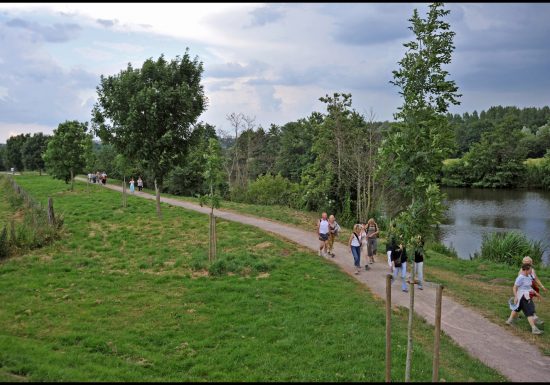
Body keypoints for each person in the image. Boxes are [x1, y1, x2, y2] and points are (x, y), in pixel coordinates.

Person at [506, 263, 543, 334]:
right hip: (523, 297)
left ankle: (509, 321)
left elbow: (529, 287)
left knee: (517, 308)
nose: (531, 271)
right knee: (530, 311)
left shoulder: (529, 276)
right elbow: (514, 287)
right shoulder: (520, 277)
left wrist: (536, 293)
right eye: (530, 270)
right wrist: (516, 297)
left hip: (527, 295)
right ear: (526, 270)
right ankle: (534, 329)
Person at [518, 256, 547, 325]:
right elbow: (520, 284)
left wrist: (542, 286)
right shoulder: (522, 272)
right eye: (525, 262)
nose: (527, 264)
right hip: (524, 291)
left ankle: (513, 317)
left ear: (531, 263)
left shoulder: (532, 270)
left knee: (520, 306)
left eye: (529, 262)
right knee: (530, 305)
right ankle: (535, 318)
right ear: (523, 263)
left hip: (530, 289)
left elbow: (536, 279)